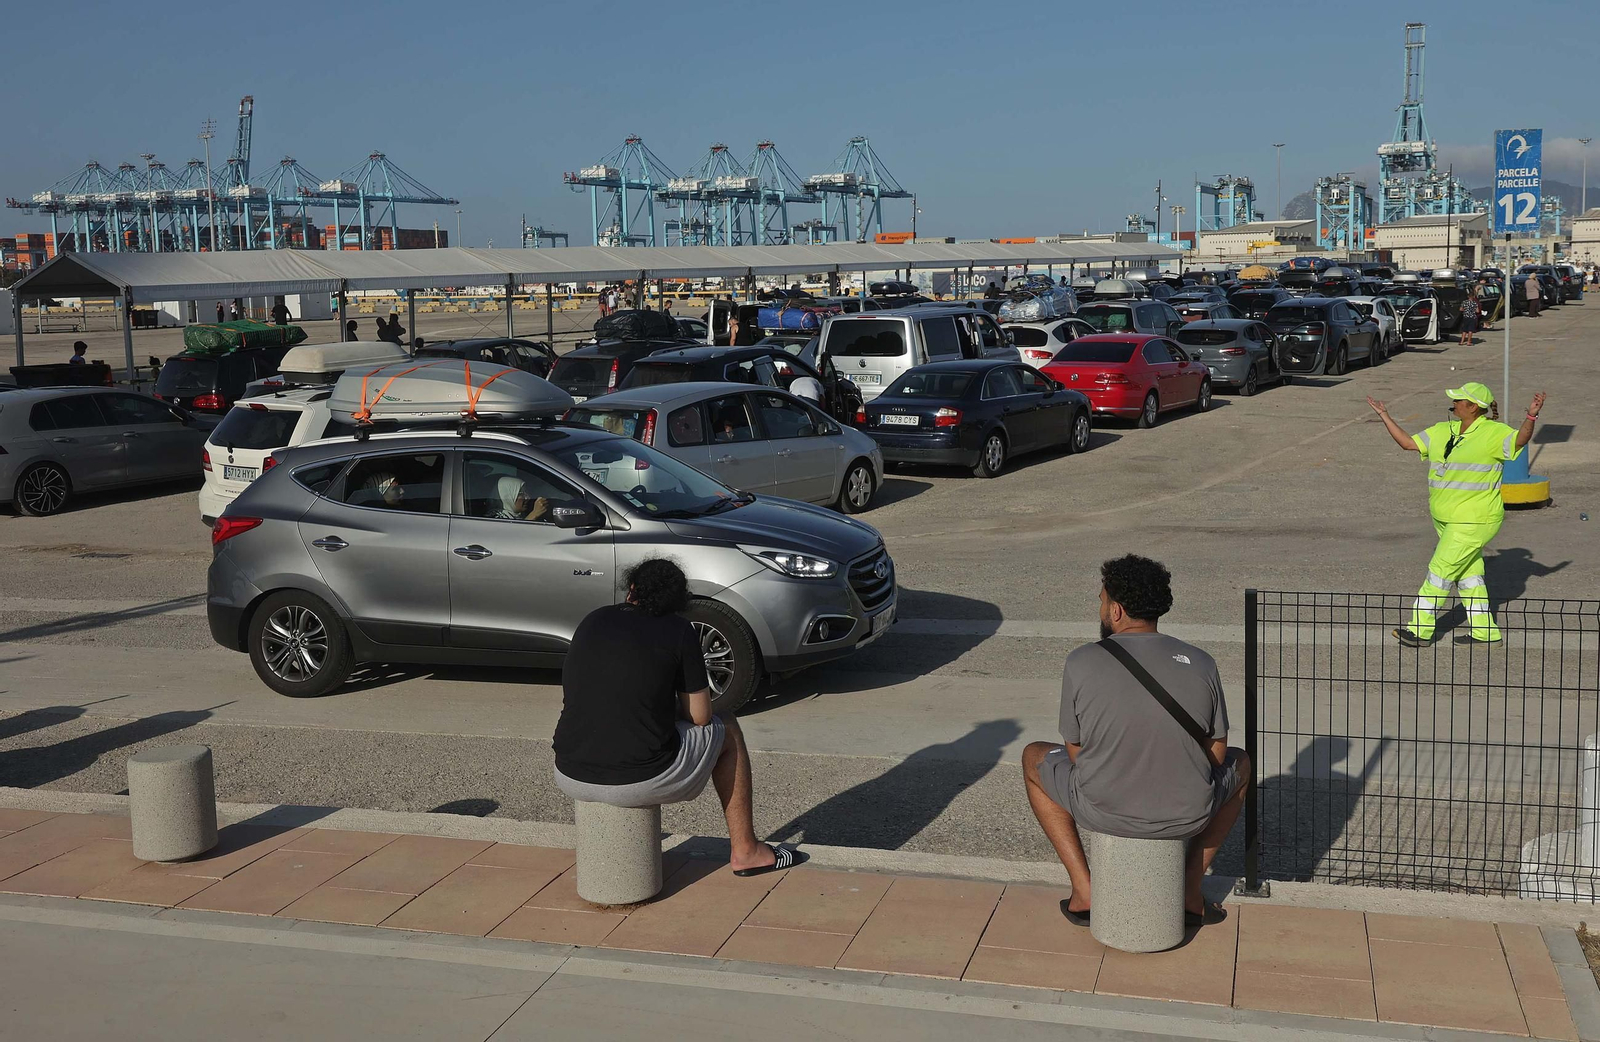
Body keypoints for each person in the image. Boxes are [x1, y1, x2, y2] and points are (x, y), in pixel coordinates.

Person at [1021, 555, 1246, 928]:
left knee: (1033, 757)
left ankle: (1084, 889)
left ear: (1117, 610)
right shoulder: (1201, 662)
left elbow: (1076, 753)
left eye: (1101, 601)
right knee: (1242, 763)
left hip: (1102, 808)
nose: (1101, 608)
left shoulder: (1081, 661)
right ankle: (1191, 889)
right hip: (1189, 811)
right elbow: (1218, 753)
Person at [551, 559, 798, 876]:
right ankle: (746, 851)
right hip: (636, 779)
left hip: (569, 771)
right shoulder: (679, 630)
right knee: (730, 730)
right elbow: (700, 717)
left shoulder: (593, 619)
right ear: (681, 601)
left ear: (631, 591)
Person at [1367, 383, 1547, 645]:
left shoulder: (1492, 433)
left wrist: (1530, 416)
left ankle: (1420, 630)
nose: (1453, 404)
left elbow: (1519, 440)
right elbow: (1408, 444)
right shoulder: (1443, 430)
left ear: (1473, 407)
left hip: (1475, 519)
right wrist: (1385, 415)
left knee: (1440, 571)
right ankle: (1485, 631)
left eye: (1458, 400)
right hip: (1445, 519)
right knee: (1468, 575)